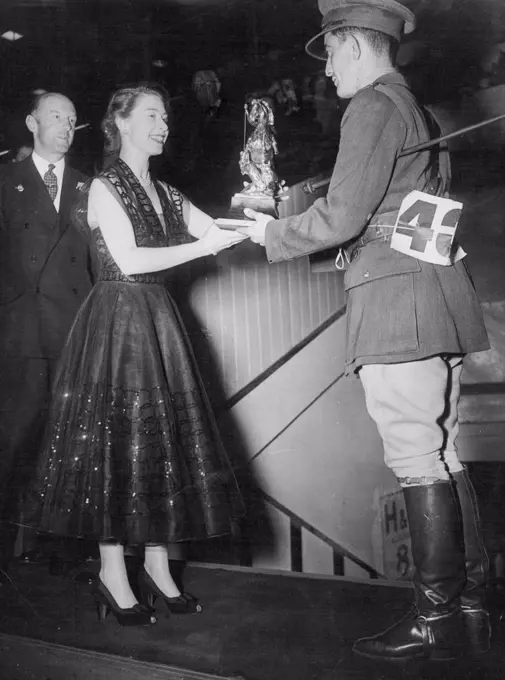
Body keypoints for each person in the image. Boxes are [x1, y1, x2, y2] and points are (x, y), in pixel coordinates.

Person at [239, 0, 491, 663]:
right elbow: (388, 212)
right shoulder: (413, 107)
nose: (324, 74)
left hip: (396, 304)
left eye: (327, 56)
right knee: (439, 452)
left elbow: (345, 215)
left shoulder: (372, 107)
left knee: (414, 456)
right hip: (431, 296)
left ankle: (435, 618)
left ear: (348, 45)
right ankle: (464, 606)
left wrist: (267, 231)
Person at [24, 84, 246, 626]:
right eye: (151, 115)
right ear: (120, 123)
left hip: (157, 322)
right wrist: (206, 245)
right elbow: (129, 258)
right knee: (116, 446)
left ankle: (156, 565)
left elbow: (215, 229)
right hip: (117, 323)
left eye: (165, 116)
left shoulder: (167, 192)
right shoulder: (104, 186)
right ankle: (110, 571)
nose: (162, 124)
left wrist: (258, 214)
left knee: (158, 444)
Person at [0, 92, 95, 579]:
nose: (65, 124)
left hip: (72, 330)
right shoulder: (5, 180)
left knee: (66, 443)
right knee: (13, 440)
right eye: (56, 116)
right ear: (31, 121)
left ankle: (55, 549)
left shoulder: (88, 188)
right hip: (18, 334)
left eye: (73, 119)